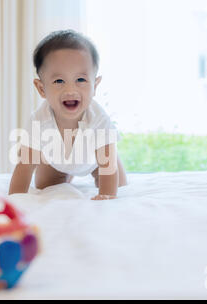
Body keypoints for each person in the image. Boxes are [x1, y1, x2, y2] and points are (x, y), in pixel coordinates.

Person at [8, 30, 127, 200]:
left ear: (95, 85)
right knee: (44, 186)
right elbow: (24, 168)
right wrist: (15, 200)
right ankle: (64, 171)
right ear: (42, 89)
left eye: (80, 80)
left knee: (119, 185)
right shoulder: (39, 120)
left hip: (95, 160)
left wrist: (106, 195)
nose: (70, 90)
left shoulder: (98, 118)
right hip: (55, 160)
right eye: (59, 81)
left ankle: (106, 165)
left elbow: (107, 167)